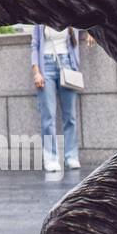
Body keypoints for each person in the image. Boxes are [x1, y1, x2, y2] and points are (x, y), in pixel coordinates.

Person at [31, 24, 83, 172]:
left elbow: (88, 19)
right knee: (48, 116)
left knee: (70, 116)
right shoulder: (39, 22)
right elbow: (34, 45)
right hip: (45, 66)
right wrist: (36, 72)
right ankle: (51, 157)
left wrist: (93, 34)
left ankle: (71, 156)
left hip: (67, 65)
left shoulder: (68, 15)